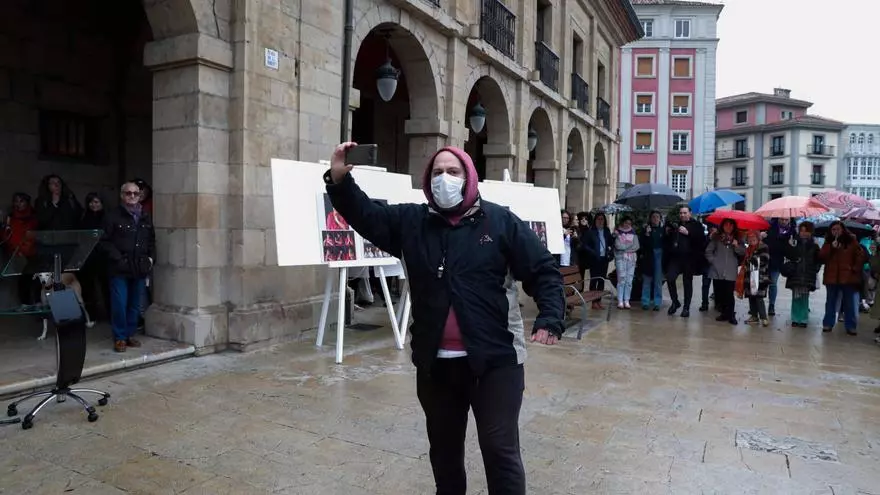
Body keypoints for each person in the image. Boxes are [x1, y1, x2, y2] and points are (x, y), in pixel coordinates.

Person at [325, 142, 563, 495]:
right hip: (436, 366)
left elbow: (542, 268)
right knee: (445, 453)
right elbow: (364, 214)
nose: (444, 179)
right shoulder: (410, 222)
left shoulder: (500, 221)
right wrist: (340, 179)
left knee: (500, 450)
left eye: (453, 172)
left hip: (495, 362)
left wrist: (550, 316)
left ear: (468, 178)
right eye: (437, 172)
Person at [101, 182, 156, 353]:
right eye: (128, 193)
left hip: (139, 268)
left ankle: (130, 334)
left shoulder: (145, 216)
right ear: (122, 195)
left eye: (135, 193)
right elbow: (104, 241)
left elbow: (151, 241)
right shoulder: (112, 216)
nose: (132, 196)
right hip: (119, 268)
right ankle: (119, 337)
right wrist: (118, 259)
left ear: (140, 196)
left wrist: (150, 259)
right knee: (119, 302)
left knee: (134, 303)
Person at [819, 221, 865, 335]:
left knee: (849, 303)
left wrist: (854, 269)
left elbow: (860, 256)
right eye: (833, 229)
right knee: (830, 302)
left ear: (843, 230)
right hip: (832, 277)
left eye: (838, 229)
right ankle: (828, 324)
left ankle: (851, 326)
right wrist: (831, 248)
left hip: (848, 277)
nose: (836, 232)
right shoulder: (828, 241)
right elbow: (821, 257)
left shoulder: (851, 241)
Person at [663, 205, 706, 317]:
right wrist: (667, 233)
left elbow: (701, 240)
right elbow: (668, 241)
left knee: (687, 283)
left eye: (685, 213)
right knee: (670, 277)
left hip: (689, 259)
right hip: (675, 258)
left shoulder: (697, 225)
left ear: (690, 213)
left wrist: (688, 233)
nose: (682, 215)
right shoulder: (675, 225)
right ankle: (675, 302)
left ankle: (686, 308)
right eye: (681, 213)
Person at [704, 219, 744, 324]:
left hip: (731, 270)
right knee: (720, 294)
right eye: (726, 225)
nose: (729, 227)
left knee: (729, 294)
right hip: (718, 270)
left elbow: (743, 252)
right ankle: (724, 313)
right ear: (723, 226)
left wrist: (736, 245)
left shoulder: (738, 238)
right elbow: (708, 251)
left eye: (731, 225)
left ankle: (731, 315)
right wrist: (713, 261)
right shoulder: (717, 238)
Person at [79, 192, 111, 320]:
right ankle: (91, 314)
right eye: (91, 202)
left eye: (97, 202)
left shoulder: (108, 217)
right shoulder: (84, 217)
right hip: (88, 256)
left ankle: (110, 313)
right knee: (88, 287)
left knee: (106, 287)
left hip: (103, 256)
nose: (93, 205)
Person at [3, 192, 38, 306]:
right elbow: (7, 236)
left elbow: (36, 235)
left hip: (32, 253)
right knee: (22, 280)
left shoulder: (34, 217)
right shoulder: (10, 217)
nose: (18, 204)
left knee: (35, 278)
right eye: (16, 201)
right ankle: (25, 303)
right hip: (16, 254)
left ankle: (38, 301)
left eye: (21, 201)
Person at [784, 221, 821, 328]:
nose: (803, 233)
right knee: (795, 297)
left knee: (804, 298)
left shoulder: (814, 246)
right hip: (795, 274)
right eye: (802, 231)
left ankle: (803, 319)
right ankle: (795, 318)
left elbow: (818, 260)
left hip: (807, 275)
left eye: (806, 231)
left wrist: (815, 270)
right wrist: (790, 247)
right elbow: (788, 256)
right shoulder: (794, 243)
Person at [763, 218, 795, 316]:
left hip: (777, 262)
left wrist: (791, 245)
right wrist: (762, 237)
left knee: (773, 284)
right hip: (764, 260)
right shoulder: (769, 227)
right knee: (761, 284)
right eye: (782, 219)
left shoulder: (792, 232)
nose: (784, 222)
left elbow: (790, 253)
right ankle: (757, 304)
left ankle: (771, 305)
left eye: (786, 220)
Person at [583, 212, 613, 310]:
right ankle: (593, 301)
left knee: (601, 280)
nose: (600, 221)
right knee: (594, 280)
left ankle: (599, 301)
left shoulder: (606, 231)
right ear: (595, 220)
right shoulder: (591, 231)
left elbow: (611, 243)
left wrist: (610, 250)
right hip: (594, 259)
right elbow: (585, 245)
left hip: (604, 259)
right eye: (598, 219)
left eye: (602, 219)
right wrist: (592, 252)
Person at [742, 230, 771, 327]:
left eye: (753, 237)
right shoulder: (748, 249)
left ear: (758, 238)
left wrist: (752, 259)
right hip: (749, 276)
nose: (751, 240)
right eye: (749, 238)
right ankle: (754, 316)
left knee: (759, 298)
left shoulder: (763, 247)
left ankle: (764, 318)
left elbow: (764, 260)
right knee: (751, 296)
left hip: (760, 277)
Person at [639, 211, 664, 311]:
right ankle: (645, 301)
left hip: (659, 255)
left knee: (658, 280)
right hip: (648, 256)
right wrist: (647, 234)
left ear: (660, 218)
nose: (655, 219)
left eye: (657, 217)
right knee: (647, 279)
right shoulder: (646, 230)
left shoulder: (662, 230)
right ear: (650, 218)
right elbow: (642, 244)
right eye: (653, 217)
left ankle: (657, 302)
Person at [612, 216, 639, 309]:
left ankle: (626, 300)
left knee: (629, 280)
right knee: (621, 279)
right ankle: (620, 300)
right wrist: (629, 247)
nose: (627, 224)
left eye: (629, 223)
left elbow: (636, 246)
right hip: (620, 258)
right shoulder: (617, 233)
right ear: (623, 223)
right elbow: (618, 246)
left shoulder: (633, 233)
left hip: (631, 259)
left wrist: (625, 247)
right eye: (626, 222)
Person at [699, 223, 718, 312]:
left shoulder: (720, 238)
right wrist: (709, 238)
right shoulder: (706, 238)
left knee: (717, 285)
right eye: (712, 228)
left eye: (715, 228)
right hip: (707, 265)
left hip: (718, 266)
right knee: (705, 285)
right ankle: (704, 304)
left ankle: (718, 303)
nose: (713, 230)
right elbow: (701, 248)